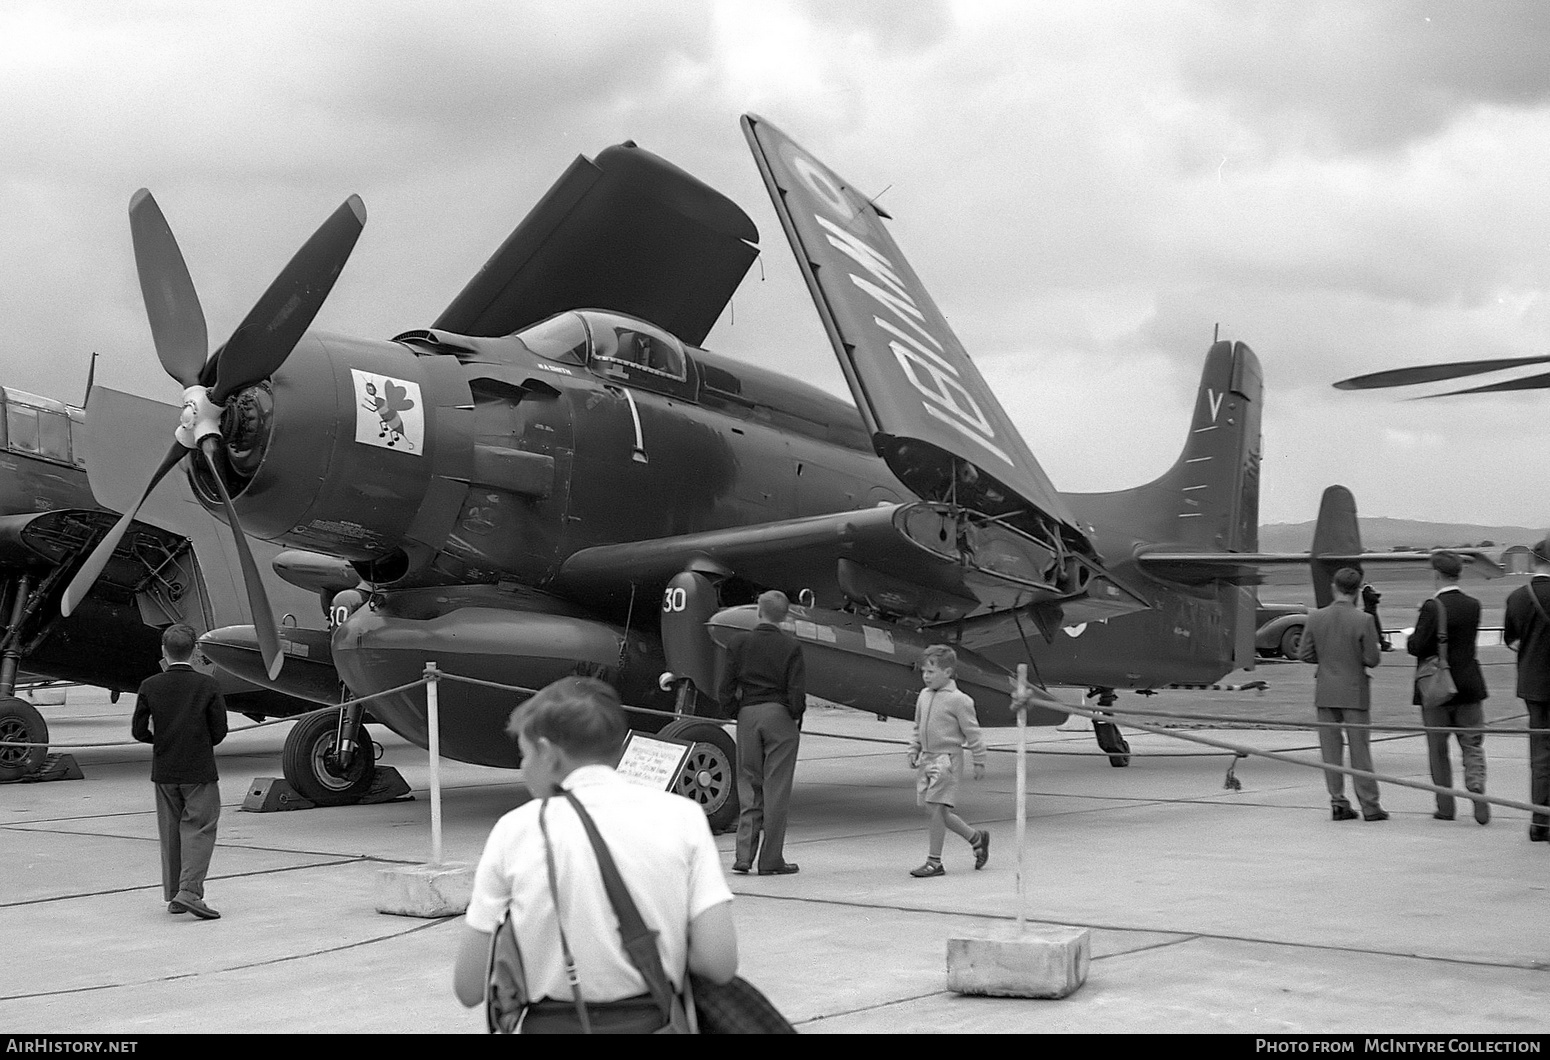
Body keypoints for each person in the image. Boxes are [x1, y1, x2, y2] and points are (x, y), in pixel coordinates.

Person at [452, 676, 737, 1032]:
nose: (524, 767)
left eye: (524, 755)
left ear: (547, 752)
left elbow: (468, 987)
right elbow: (718, 963)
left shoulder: (516, 830)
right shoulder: (684, 817)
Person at [130, 623, 228, 920]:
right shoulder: (208, 685)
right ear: (195, 650)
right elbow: (219, 731)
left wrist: (159, 741)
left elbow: (139, 730)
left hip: (164, 769)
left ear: (164, 650)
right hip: (198, 769)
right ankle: (190, 891)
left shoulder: (149, 685)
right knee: (199, 828)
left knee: (171, 833)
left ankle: (174, 895)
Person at [717, 590, 806, 876]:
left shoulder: (739, 642)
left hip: (748, 715)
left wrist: (736, 711)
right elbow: (796, 691)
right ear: (785, 615)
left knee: (749, 783)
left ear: (758, 611)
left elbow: (726, 687)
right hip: (779, 716)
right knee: (776, 789)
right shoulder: (791, 646)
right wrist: (794, 715)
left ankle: (743, 855)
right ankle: (771, 860)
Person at [1297, 567, 1387, 822]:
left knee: (1330, 752)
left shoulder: (1316, 617)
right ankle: (1370, 805)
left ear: (1334, 587)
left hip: (1325, 689)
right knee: (1360, 751)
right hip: (1354, 692)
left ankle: (1338, 801)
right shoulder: (1364, 620)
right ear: (1357, 591)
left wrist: (1324, 661)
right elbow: (1372, 659)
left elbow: (1304, 653)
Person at [1407, 552, 1489, 824]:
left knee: (1438, 749)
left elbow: (1417, 646)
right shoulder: (1473, 605)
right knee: (1472, 744)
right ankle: (1477, 791)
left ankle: (1445, 806)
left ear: (1437, 574)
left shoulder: (1432, 607)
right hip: (1469, 682)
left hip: (1437, 686)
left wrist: (1413, 631)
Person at [906, 644, 990, 877]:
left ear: (948, 672)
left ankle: (935, 862)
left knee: (935, 808)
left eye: (931, 672)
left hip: (947, 760)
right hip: (927, 758)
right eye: (924, 671)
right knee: (936, 811)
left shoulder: (960, 700)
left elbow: (973, 733)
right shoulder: (924, 696)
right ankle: (976, 838)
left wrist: (979, 760)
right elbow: (917, 726)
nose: (925, 676)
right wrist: (914, 748)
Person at [1503, 538, 1550, 843]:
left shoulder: (1519, 597)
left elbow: (1512, 641)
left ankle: (1541, 821)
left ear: (1534, 560)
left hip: (1534, 683)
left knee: (1540, 755)